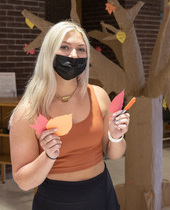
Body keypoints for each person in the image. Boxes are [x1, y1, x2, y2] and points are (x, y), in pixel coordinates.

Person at [9, 21, 130, 210]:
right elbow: (24, 182)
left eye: (81, 49)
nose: (74, 55)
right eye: (64, 47)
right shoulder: (28, 111)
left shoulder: (98, 95)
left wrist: (116, 136)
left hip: (102, 193)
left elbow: (114, 154)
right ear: (49, 52)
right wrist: (49, 155)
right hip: (56, 200)